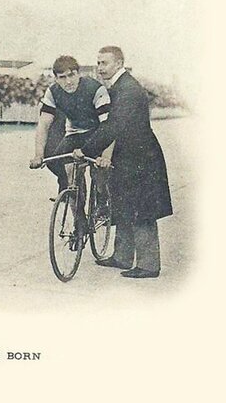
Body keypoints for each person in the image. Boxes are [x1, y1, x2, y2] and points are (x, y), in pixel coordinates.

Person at [74, 46, 173, 279]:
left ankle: (149, 265)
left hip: (141, 158)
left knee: (142, 209)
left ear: (118, 63)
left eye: (104, 63)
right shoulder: (120, 86)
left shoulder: (127, 89)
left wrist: (86, 149)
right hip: (130, 155)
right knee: (125, 205)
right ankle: (122, 257)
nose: (99, 68)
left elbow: (113, 126)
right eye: (98, 63)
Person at [29, 55, 112, 232]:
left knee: (99, 171)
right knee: (63, 170)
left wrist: (105, 157)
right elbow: (43, 125)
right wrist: (38, 154)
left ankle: (101, 196)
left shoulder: (95, 89)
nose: (68, 82)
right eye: (62, 77)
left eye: (71, 75)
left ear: (78, 74)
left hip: (98, 133)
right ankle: (79, 220)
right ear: (56, 79)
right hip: (75, 134)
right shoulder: (53, 92)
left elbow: (108, 127)